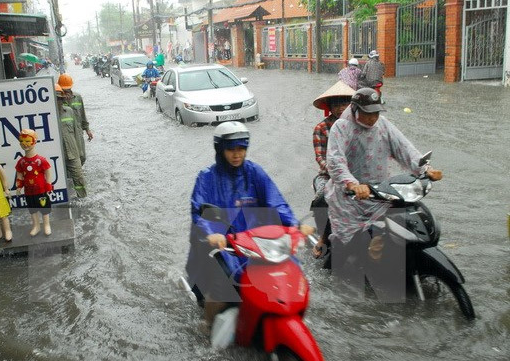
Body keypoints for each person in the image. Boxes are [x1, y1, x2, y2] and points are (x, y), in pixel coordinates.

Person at [185, 121, 315, 325]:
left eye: (241, 149)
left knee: (293, 274)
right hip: (224, 245)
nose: (237, 154)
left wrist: (295, 225)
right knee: (223, 288)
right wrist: (212, 232)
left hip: (256, 244)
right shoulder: (207, 178)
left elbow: (276, 202)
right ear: (220, 149)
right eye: (231, 150)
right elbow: (200, 213)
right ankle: (208, 328)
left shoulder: (255, 172)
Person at [324, 88, 443, 284]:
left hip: (380, 192)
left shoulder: (383, 126)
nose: (372, 118)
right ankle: (331, 275)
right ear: (355, 109)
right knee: (346, 242)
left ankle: (386, 267)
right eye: (367, 113)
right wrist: (353, 184)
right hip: (349, 196)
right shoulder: (341, 127)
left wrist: (426, 169)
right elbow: (335, 161)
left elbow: (405, 149)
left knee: (399, 225)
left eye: (375, 113)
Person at [310, 81, 355, 258]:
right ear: (330, 107)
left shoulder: (359, 125)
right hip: (329, 175)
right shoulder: (321, 128)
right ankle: (323, 239)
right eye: (336, 105)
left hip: (357, 175)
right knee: (323, 199)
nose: (341, 109)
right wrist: (338, 172)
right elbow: (320, 158)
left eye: (345, 104)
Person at [15, 129, 53, 236]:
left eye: (28, 141)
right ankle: (36, 226)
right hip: (28, 191)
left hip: (41, 190)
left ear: (34, 141)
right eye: (22, 141)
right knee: (32, 209)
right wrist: (19, 186)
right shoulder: (21, 162)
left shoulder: (41, 160)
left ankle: (46, 225)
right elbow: (19, 175)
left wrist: (49, 186)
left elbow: (48, 173)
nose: (25, 144)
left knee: (44, 208)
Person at [55, 84, 88, 198]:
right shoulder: (48, 116)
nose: (58, 101)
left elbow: (76, 133)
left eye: (59, 99)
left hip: (72, 153)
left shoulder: (69, 111)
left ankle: (82, 199)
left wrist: (80, 152)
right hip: (57, 156)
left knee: (79, 177)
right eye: (56, 99)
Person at [58, 73, 93, 166]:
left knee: (82, 156)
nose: (66, 91)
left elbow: (82, 114)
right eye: (64, 90)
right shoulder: (58, 100)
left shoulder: (77, 97)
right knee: (71, 158)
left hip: (78, 131)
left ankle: (77, 172)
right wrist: (64, 100)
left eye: (68, 89)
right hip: (67, 133)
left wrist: (87, 130)